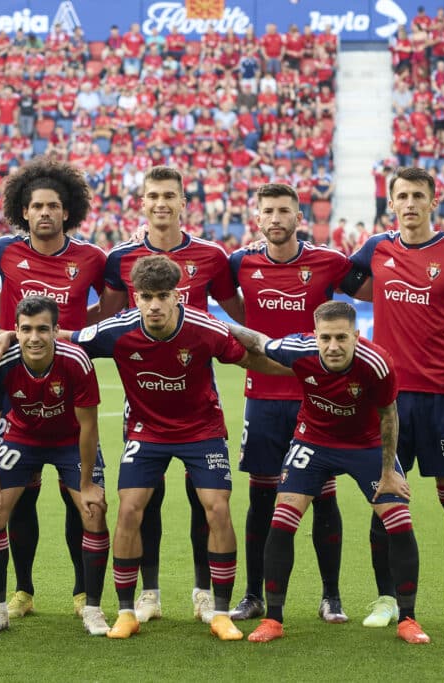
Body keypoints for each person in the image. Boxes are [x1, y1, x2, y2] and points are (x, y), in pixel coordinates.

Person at [63, 255, 293, 641]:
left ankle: (220, 612)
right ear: (136, 298)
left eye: (162, 296)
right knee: (129, 509)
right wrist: (8, 337)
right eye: (146, 297)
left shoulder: (205, 328)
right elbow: (63, 339)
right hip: (147, 432)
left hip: (201, 430)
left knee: (217, 508)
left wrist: (302, 370)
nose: (154, 305)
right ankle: (126, 612)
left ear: (177, 296)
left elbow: (250, 359)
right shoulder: (116, 330)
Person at [95, 166, 245, 626]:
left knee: (206, 500)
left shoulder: (212, 255)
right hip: (145, 398)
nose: (161, 203)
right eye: (153, 195)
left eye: (169, 195)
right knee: (146, 498)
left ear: (184, 202)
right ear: (142, 202)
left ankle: (204, 592)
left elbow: (238, 315)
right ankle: (150, 593)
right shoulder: (120, 258)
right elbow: (106, 318)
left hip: (197, 394)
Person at [232, 301, 430, 645]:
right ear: (315, 336)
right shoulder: (299, 348)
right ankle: (273, 619)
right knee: (282, 520)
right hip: (314, 440)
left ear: (356, 335)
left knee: (398, 520)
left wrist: (388, 471)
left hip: (366, 444)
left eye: (341, 337)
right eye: (325, 338)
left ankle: (408, 619)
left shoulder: (377, 362)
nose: (333, 346)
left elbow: (388, 414)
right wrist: (214, 323)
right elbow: (258, 342)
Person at [348, 166, 444, 631]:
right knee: (385, 497)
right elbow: (347, 283)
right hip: (388, 400)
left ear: (433, 201)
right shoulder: (376, 248)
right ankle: (386, 599)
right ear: (390, 203)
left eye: (417, 196)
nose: (409, 203)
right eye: (402, 196)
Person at [0, 158, 107, 620]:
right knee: (21, 498)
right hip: (21, 390)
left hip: (70, 382)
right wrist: (8, 327)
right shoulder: (2, 250)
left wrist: (75, 334)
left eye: (53, 205)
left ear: (67, 211)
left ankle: (81, 593)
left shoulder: (92, 258)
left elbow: (112, 304)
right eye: (37, 206)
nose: (45, 213)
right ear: (24, 211)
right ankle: (23, 591)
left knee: (80, 502)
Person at [226, 183, 356, 623]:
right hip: (262, 399)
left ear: (299, 218)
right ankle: (253, 595)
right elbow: (230, 306)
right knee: (262, 498)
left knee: (323, 496)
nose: (276, 218)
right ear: (257, 218)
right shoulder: (241, 263)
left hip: (316, 398)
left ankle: (331, 596)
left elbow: (367, 285)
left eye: (284, 211)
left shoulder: (328, 262)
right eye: (268, 211)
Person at [0, 296, 109, 636]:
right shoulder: (0, 362)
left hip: (70, 439)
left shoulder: (76, 360)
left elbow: (89, 426)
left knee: (93, 510)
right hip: (23, 438)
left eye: (43, 329)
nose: (34, 337)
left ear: (56, 330)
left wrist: (87, 483)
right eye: (26, 329)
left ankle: (92, 608)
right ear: (15, 331)